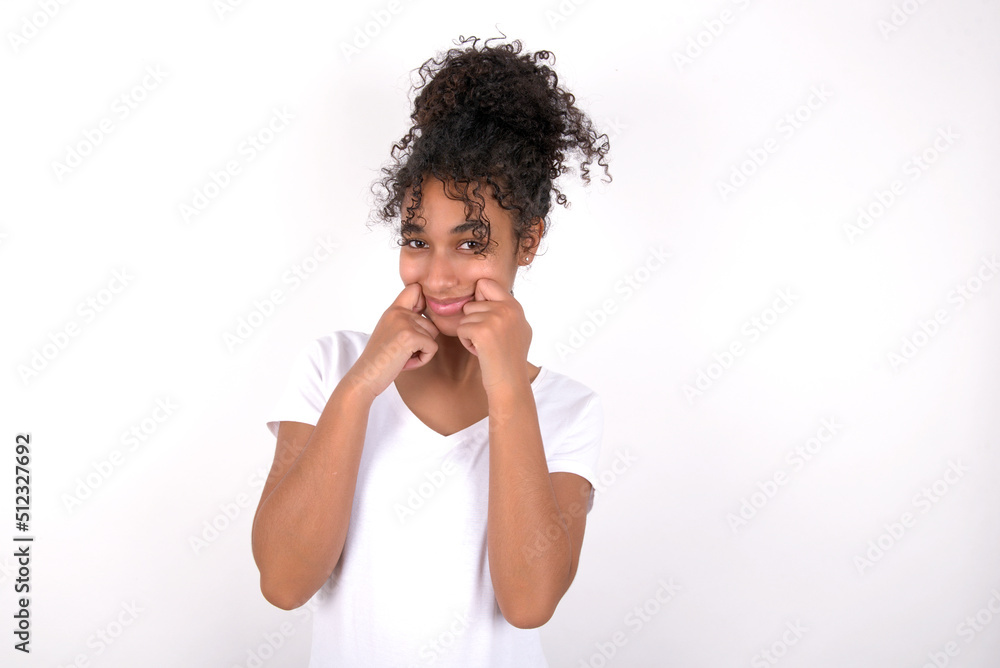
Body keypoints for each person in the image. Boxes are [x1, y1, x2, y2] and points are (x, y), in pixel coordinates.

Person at [251, 33, 612, 667]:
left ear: (527, 242)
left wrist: (506, 388)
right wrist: (362, 385)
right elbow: (283, 583)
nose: (438, 275)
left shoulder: (565, 408)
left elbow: (528, 603)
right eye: (417, 240)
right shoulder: (333, 366)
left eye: (471, 243)